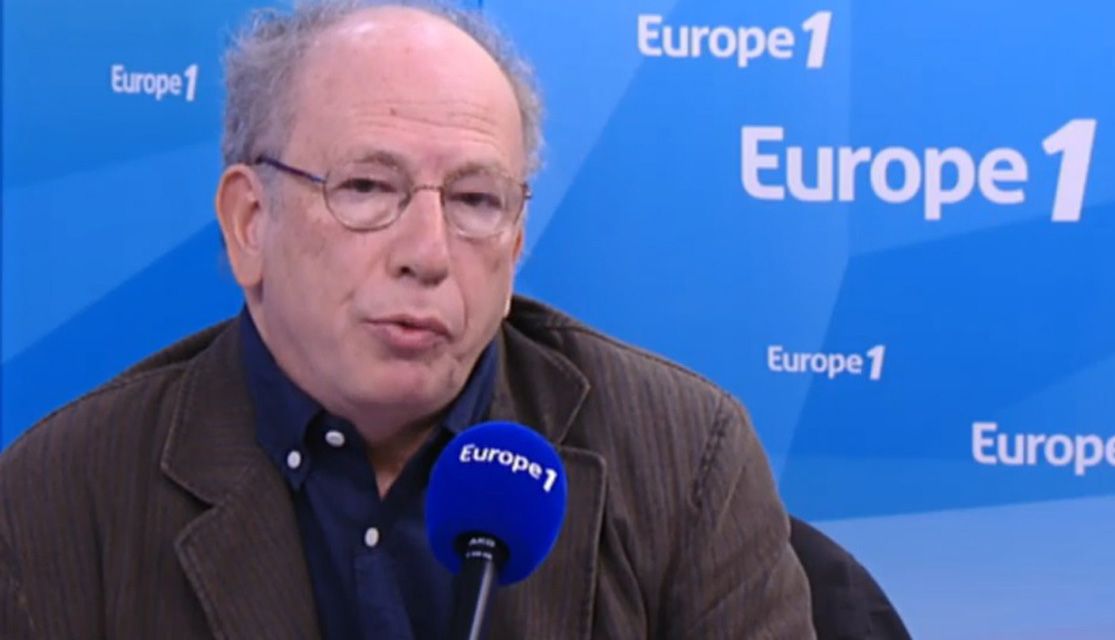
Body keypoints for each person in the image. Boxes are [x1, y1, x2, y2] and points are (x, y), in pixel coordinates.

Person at [0, 1, 815, 638]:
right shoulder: (60, 494)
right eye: (367, 188)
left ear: (516, 244)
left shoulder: (685, 456)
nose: (428, 253)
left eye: (475, 200)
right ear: (250, 223)